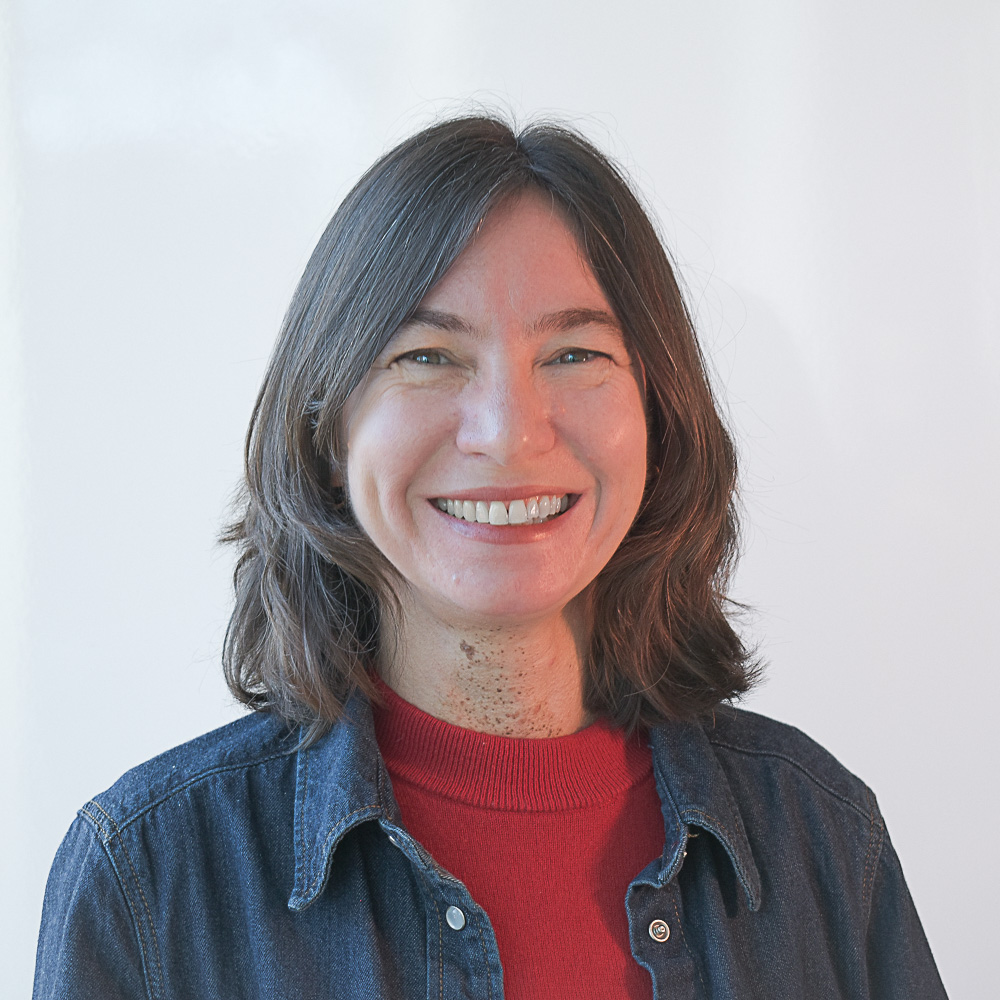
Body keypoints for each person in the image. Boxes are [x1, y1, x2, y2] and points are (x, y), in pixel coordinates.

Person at [33, 115, 948, 999]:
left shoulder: (823, 841)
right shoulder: (149, 879)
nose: (508, 433)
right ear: (329, 429)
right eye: (429, 356)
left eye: (575, 353)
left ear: (658, 417)